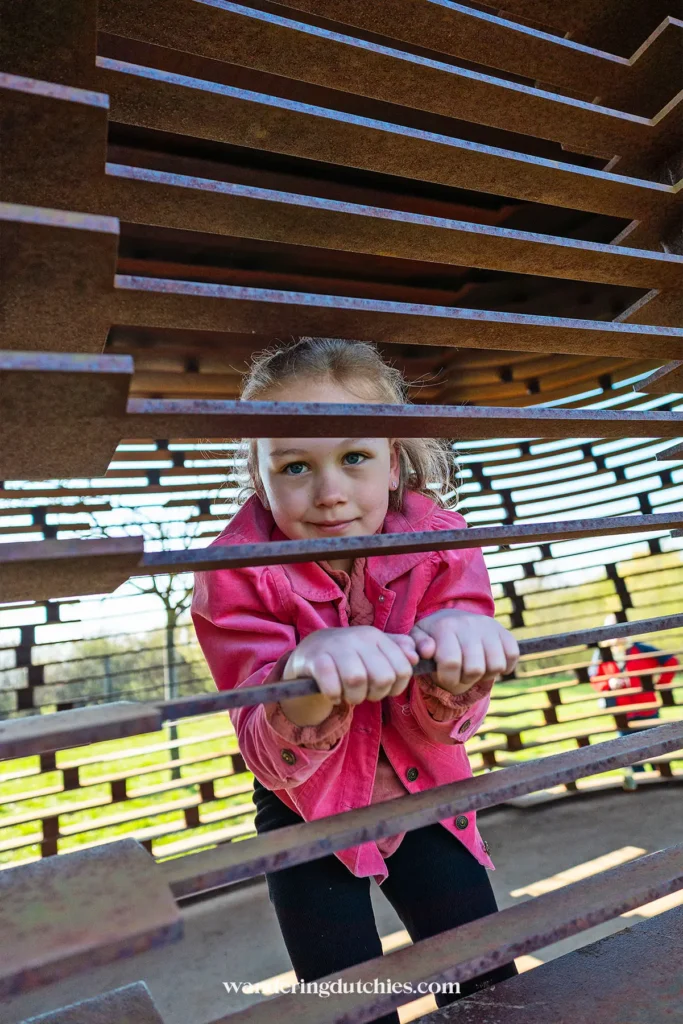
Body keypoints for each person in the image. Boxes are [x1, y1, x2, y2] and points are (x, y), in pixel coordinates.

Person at [191, 337, 520, 1021]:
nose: (330, 493)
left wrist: (460, 657)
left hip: (427, 790)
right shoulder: (232, 571)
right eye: (295, 466)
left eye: (354, 458)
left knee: (485, 982)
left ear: (393, 460)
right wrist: (304, 675)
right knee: (344, 998)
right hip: (301, 804)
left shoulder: (441, 544)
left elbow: (449, 726)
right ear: (259, 475)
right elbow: (262, 751)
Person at [588, 613, 679, 786]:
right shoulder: (601, 654)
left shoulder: (641, 649)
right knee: (630, 754)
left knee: (655, 750)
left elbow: (672, 662)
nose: (617, 635)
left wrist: (659, 684)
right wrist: (609, 683)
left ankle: (661, 784)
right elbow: (594, 679)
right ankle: (642, 785)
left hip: (647, 709)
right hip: (622, 713)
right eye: (612, 630)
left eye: (621, 629)